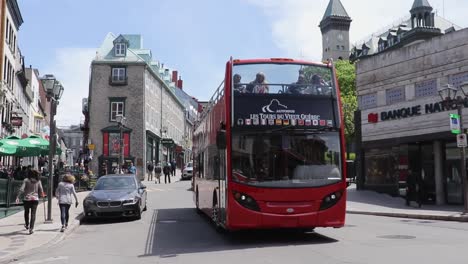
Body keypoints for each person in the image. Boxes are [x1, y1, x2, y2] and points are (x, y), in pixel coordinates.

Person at [16, 170, 44, 235]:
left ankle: (27, 224)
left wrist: (17, 196)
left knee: (26, 212)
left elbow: (22, 189)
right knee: (33, 214)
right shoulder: (38, 181)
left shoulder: (26, 180)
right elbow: (41, 189)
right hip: (35, 199)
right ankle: (31, 228)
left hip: (27, 199)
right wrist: (42, 195)